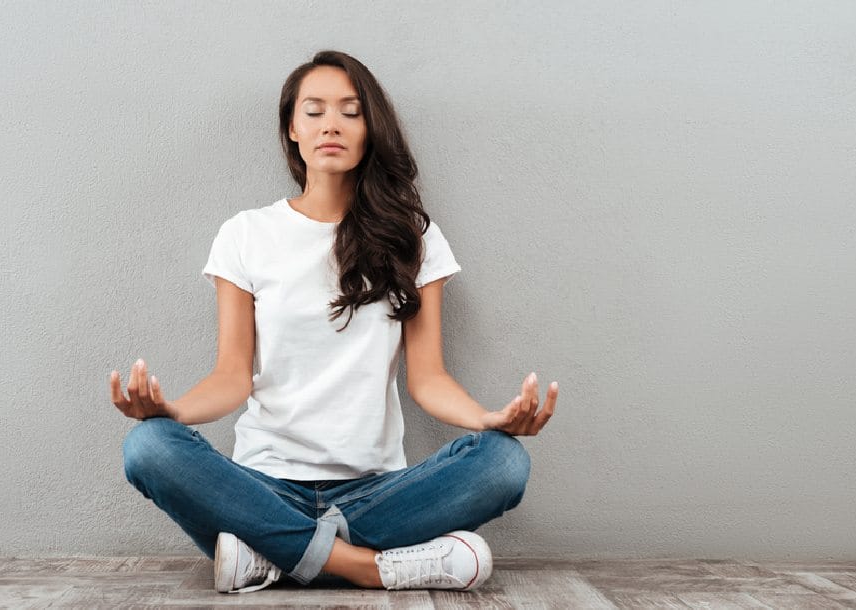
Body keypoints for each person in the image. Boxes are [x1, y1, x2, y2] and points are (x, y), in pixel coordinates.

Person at [110, 49, 558, 594]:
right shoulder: (246, 234)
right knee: (149, 447)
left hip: (377, 493)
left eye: (351, 111)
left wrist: (489, 419)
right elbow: (232, 375)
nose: (332, 125)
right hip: (264, 485)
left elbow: (429, 379)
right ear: (291, 129)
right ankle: (366, 568)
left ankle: (272, 556)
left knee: (503, 464)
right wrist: (171, 412)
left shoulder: (414, 237)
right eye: (315, 110)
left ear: (371, 129)